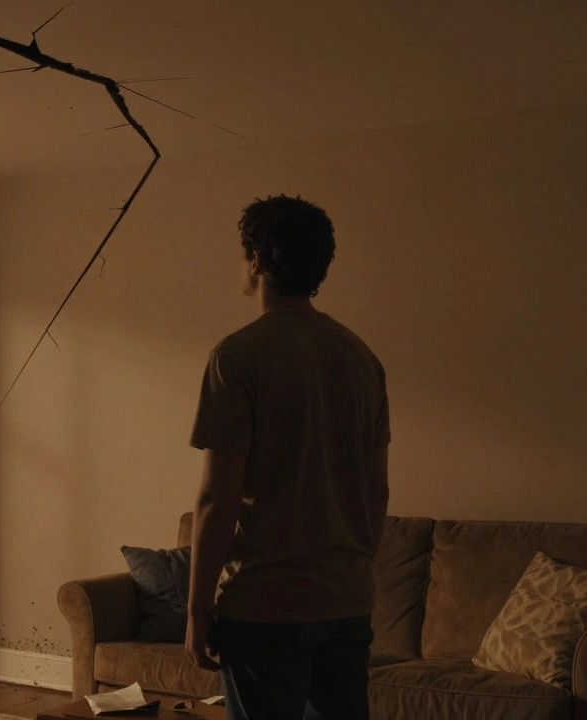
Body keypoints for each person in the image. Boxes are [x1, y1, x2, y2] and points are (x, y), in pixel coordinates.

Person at [185, 195, 391, 720]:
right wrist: (352, 571)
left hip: (265, 606)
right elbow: (377, 490)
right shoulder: (361, 358)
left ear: (255, 260)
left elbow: (218, 499)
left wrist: (196, 609)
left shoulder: (237, 356)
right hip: (346, 604)